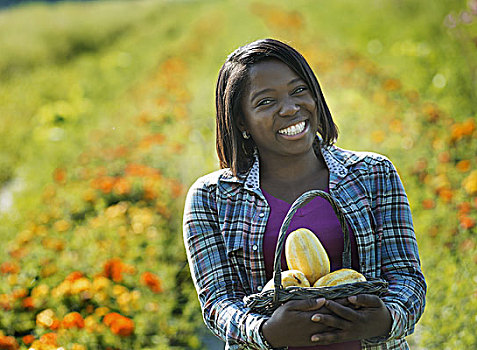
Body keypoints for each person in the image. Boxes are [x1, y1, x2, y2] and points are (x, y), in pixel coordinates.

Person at [182, 38, 426, 350]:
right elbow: (219, 303)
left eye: (299, 90)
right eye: (266, 102)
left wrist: (385, 320)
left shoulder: (374, 174)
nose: (291, 108)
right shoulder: (211, 198)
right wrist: (267, 331)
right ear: (241, 120)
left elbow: (407, 279)